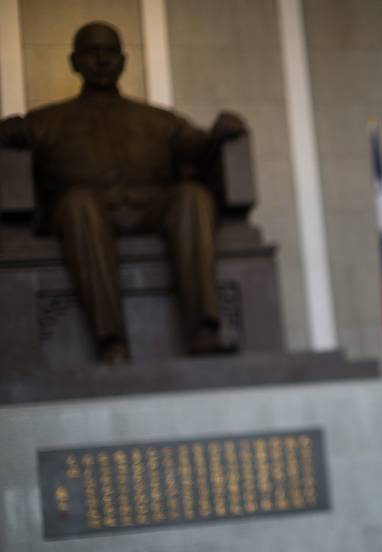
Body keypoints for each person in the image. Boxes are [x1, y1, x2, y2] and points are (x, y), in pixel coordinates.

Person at [0, 22, 245, 362]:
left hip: (149, 208)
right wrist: (7, 130)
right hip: (82, 216)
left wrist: (221, 132)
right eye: (92, 52)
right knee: (80, 204)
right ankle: (111, 341)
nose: (102, 60)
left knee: (192, 197)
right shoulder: (47, 121)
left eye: (110, 52)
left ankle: (203, 330)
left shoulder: (158, 120)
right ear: (74, 62)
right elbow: (10, 134)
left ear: (123, 61)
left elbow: (200, 147)